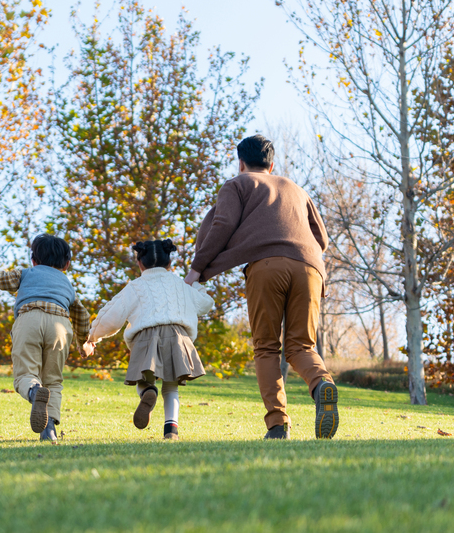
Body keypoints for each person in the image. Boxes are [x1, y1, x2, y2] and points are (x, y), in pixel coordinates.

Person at [184, 134, 338, 439]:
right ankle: (321, 384)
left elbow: (222, 225)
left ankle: (278, 425)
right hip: (309, 268)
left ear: (241, 162)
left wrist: (197, 268)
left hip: (266, 267)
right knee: (302, 346)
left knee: (266, 347)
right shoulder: (296, 189)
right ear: (272, 164)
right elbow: (322, 239)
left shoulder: (238, 184)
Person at [82, 239, 214, 440]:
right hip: (178, 337)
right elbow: (205, 304)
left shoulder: (135, 287)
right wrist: (195, 285)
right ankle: (171, 430)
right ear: (169, 264)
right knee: (171, 387)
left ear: (139, 263)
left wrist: (93, 337)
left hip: (145, 338)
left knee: (144, 380)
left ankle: (147, 393)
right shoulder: (181, 284)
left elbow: (111, 316)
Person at [0, 234, 90, 443]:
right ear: (67, 264)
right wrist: (84, 343)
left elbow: (6, 278)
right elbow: (80, 314)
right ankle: (49, 431)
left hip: (29, 321)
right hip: (60, 325)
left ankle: (34, 392)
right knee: (53, 380)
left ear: (33, 260)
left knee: (25, 374)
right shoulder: (67, 284)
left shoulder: (27, 273)